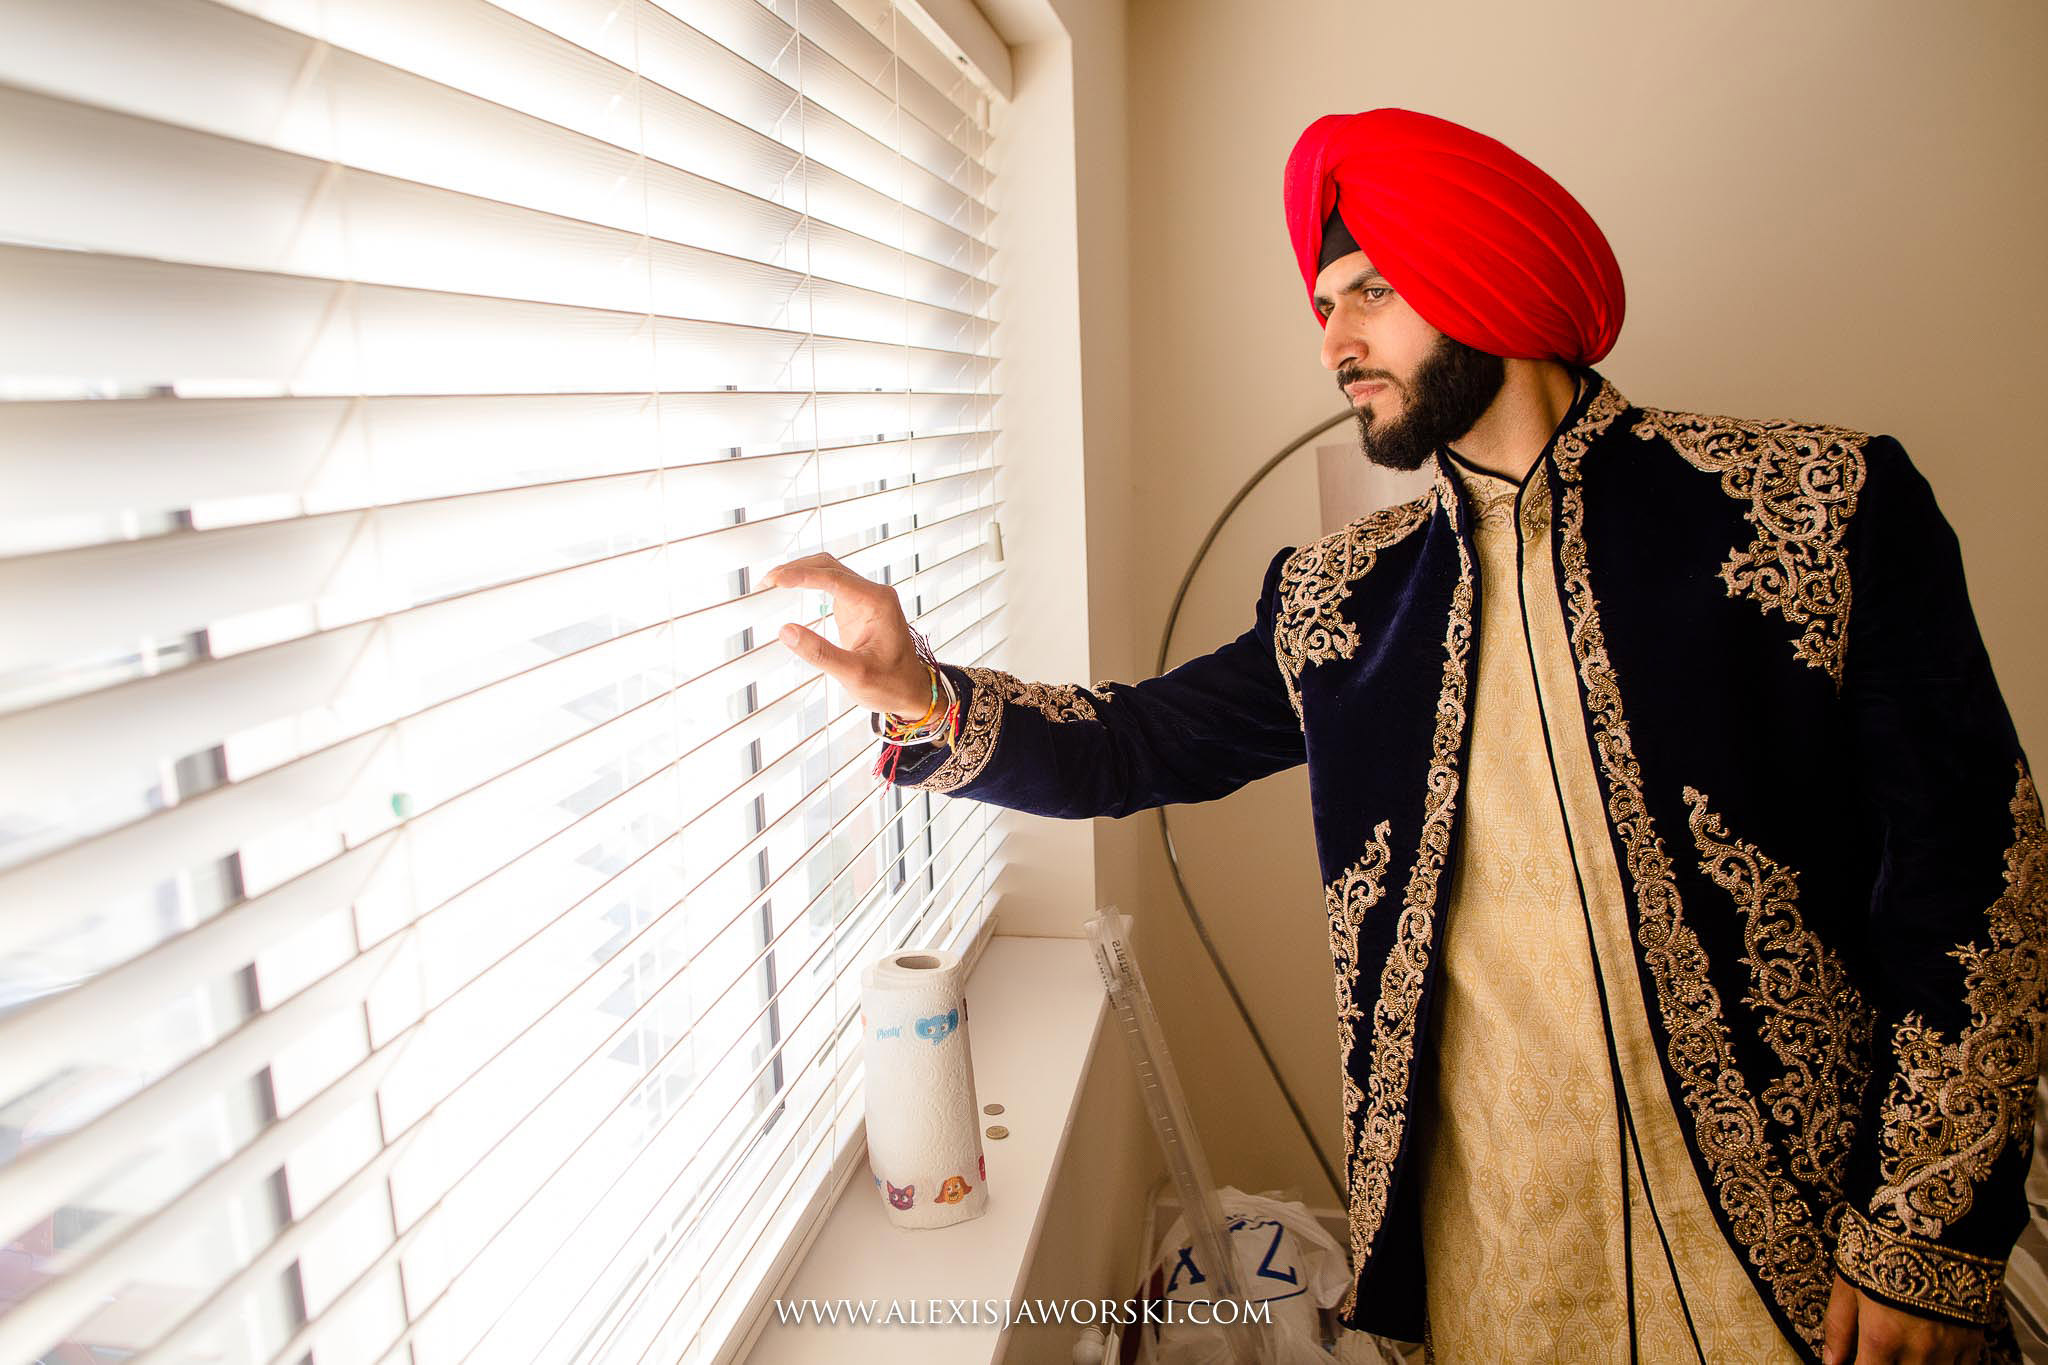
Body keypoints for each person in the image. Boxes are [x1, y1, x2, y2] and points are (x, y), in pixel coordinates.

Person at [761, 108, 2044, 1364]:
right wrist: (920, 690)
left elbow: (1974, 881)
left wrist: (1925, 1236)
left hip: (1795, 1254)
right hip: (1501, 1256)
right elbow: (1134, 745)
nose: (1333, 341)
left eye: (1368, 293)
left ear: (1484, 280)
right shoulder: (1339, 599)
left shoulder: (1818, 506)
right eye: (1323, 308)